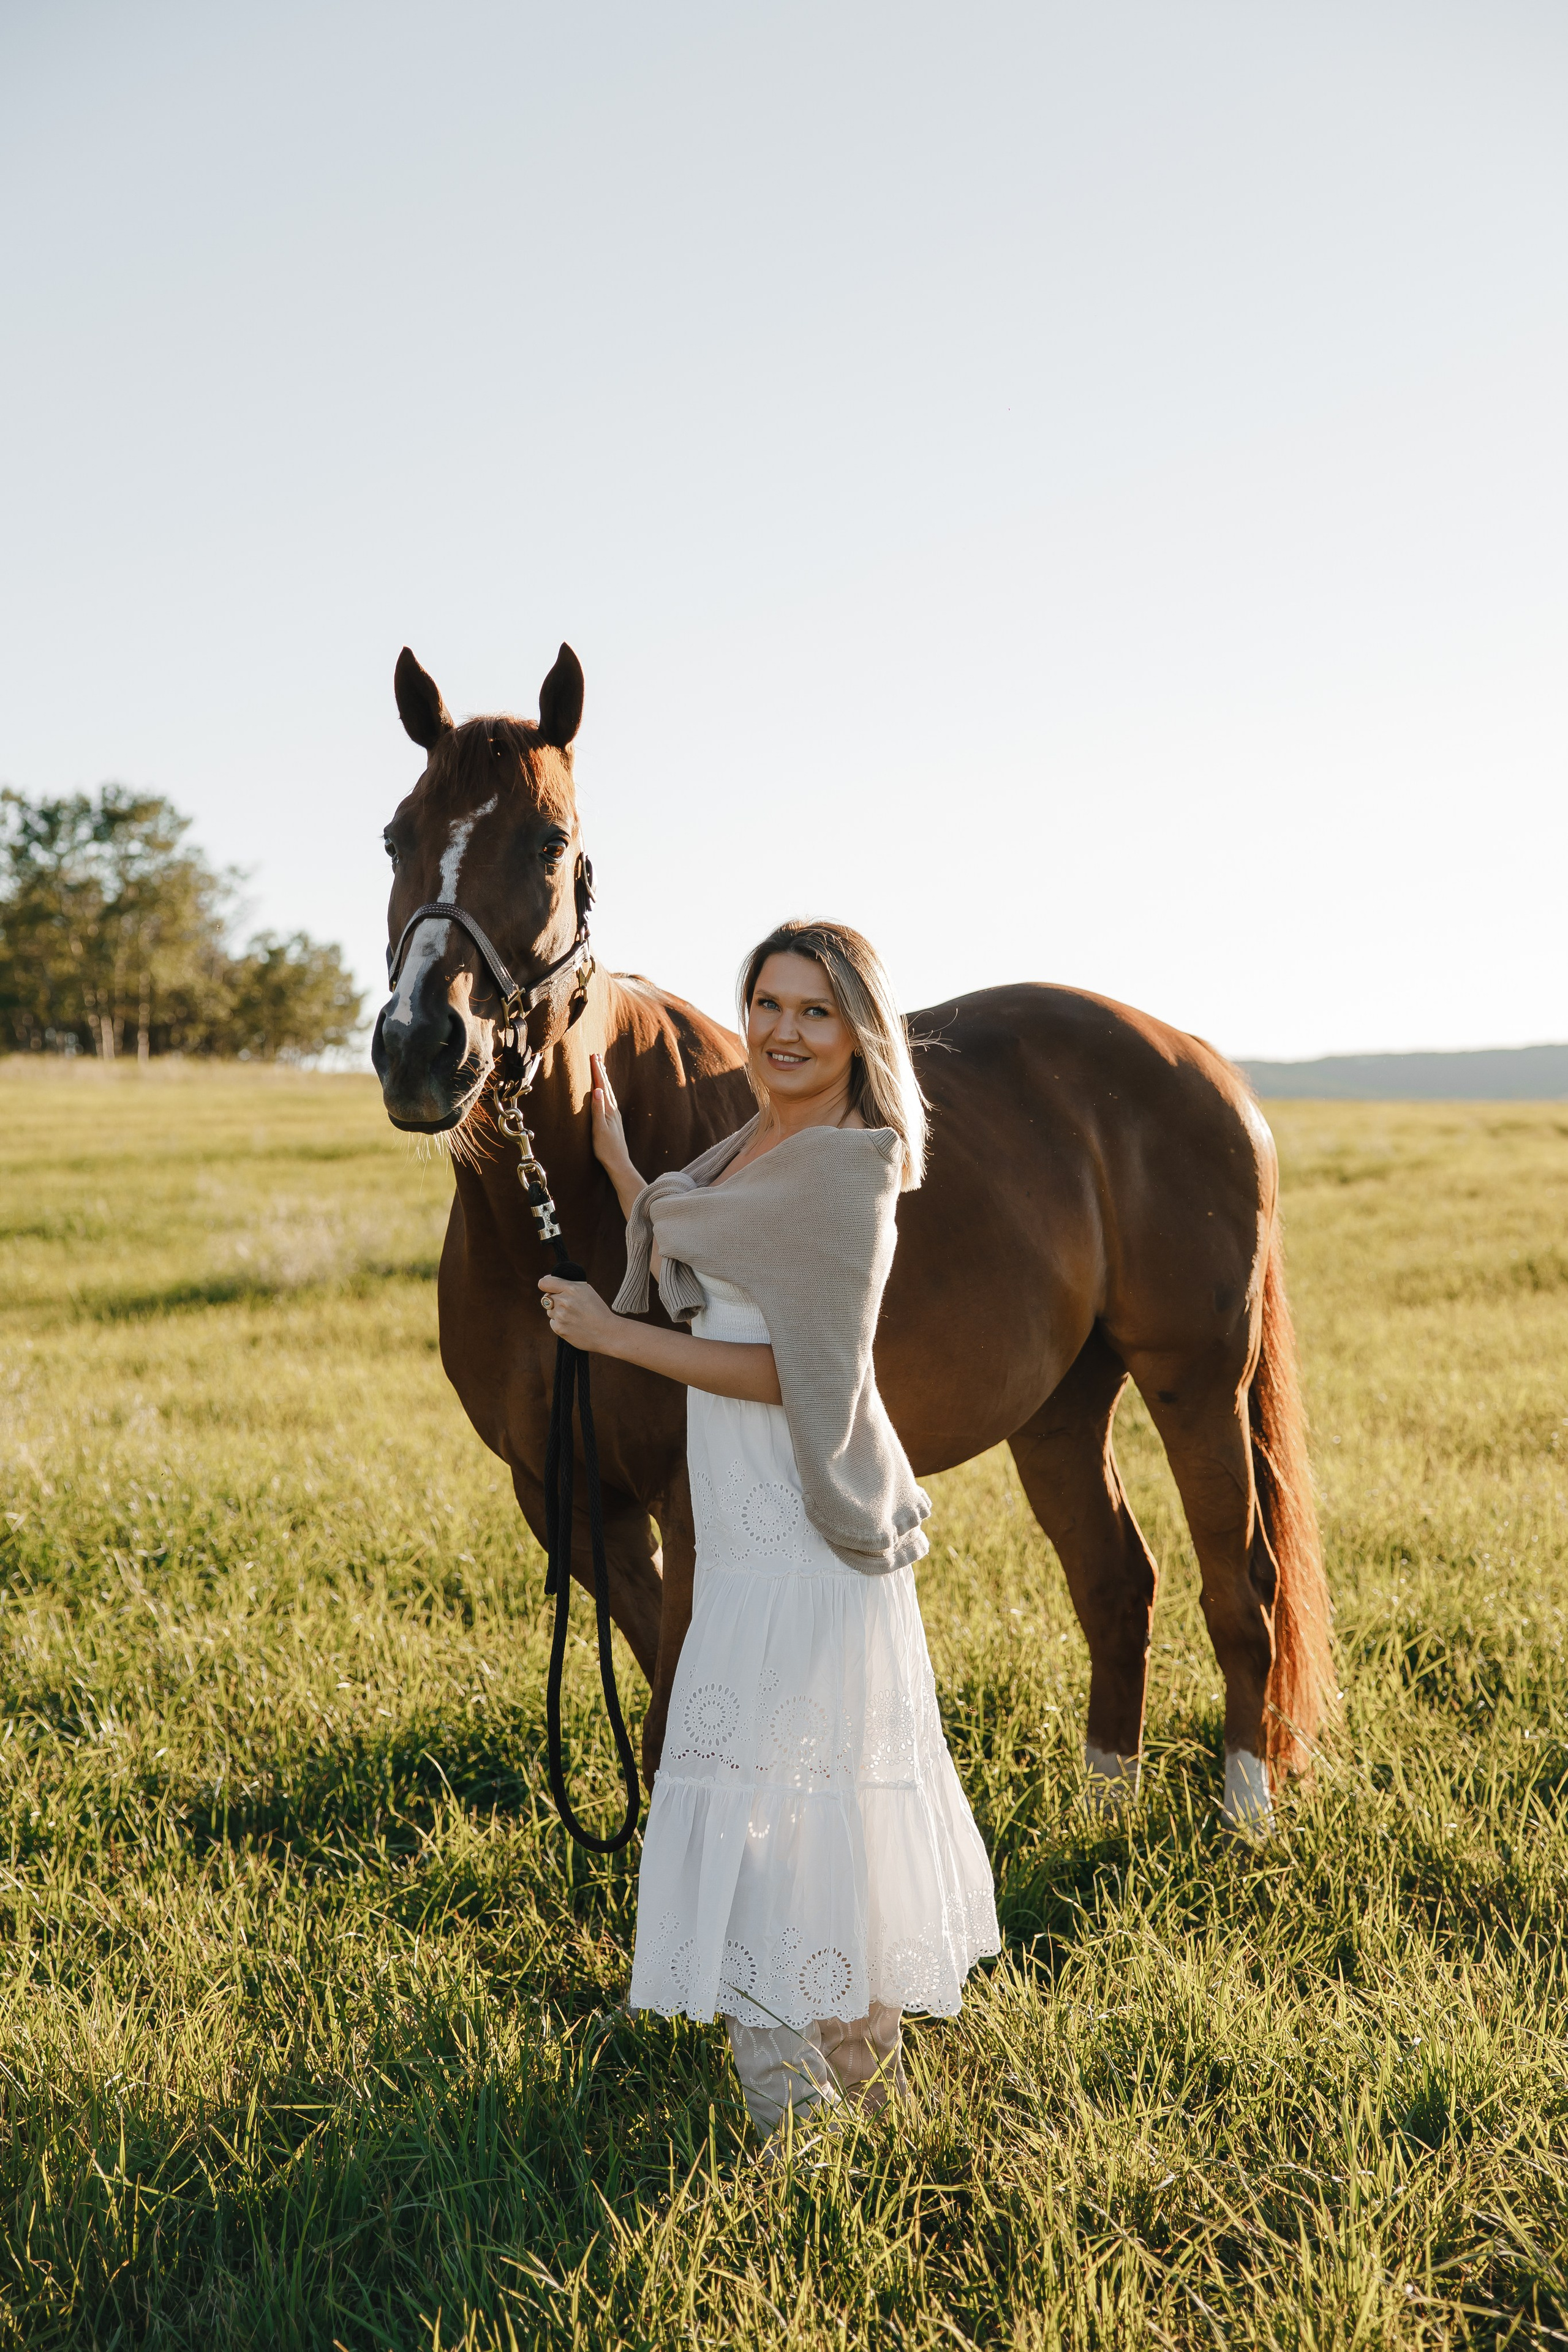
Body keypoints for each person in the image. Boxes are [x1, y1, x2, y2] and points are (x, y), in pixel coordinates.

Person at [539, 918, 998, 2146]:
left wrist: (609, 1331)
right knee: (786, 1771)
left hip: (799, 1516)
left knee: (787, 1775)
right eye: (767, 1004)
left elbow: (802, 1373)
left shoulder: (849, 1168)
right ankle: (842, 2046)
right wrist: (625, 1167)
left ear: (859, 1030)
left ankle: (793, 2071)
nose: (784, 1032)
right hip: (741, 1517)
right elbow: (702, 1238)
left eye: (814, 1011)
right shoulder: (752, 1146)